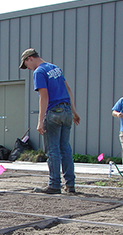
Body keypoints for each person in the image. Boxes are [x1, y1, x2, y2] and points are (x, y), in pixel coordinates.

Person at [20, 48, 80, 194]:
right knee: (65, 149)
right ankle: (70, 184)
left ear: (30, 59)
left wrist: (40, 121)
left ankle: (54, 184)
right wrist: (73, 111)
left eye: (26, 64)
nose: (28, 68)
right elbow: (68, 90)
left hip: (53, 112)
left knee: (53, 150)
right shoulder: (55, 68)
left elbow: (44, 96)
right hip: (66, 111)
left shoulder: (39, 72)